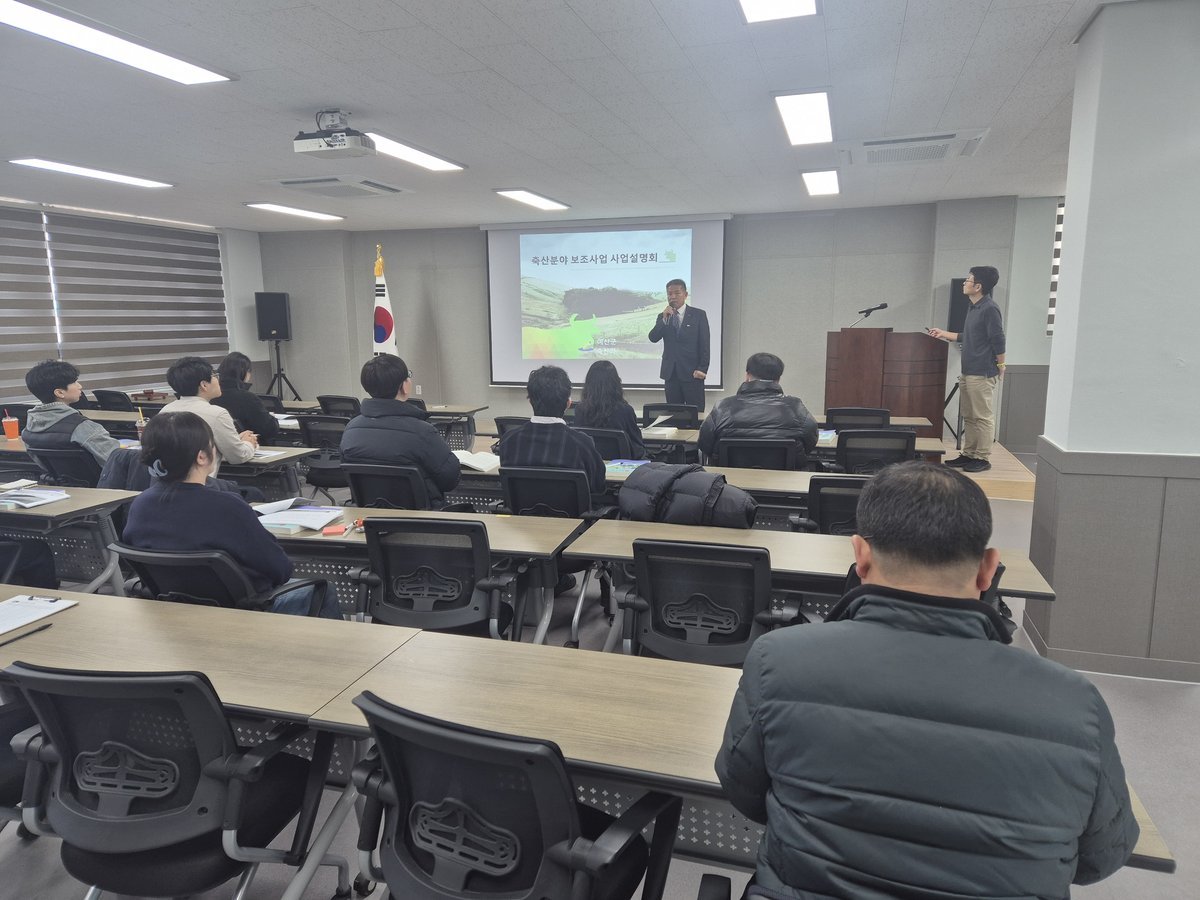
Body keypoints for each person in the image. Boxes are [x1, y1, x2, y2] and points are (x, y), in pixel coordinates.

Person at [717, 461, 1137, 899]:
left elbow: (744, 790)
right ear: (988, 569)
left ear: (860, 556)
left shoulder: (778, 660)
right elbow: (1101, 855)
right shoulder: (1075, 704)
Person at [121, 412, 342, 619]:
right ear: (201, 457)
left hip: (174, 613)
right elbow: (280, 570)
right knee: (323, 589)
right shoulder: (227, 506)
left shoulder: (140, 505)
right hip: (243, 612)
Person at [340, 354, 460, 504]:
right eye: (408, 375)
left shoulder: (351, 429)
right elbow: (450, 480)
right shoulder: (422, 432)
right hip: (422, 516)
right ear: (404, 386)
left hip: (370, 514)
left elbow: (345, 474)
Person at [928, 265, 1006, 472]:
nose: (964, 283)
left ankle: (982, 457)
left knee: (982, 417)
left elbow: (998, 339)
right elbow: (967, 336)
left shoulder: (989, 308)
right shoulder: (973, 307)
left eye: (968, 280)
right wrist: (943, 333)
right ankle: (969, 454)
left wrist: (1001, 364)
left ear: (978, 286)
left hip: (982, 371)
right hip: (968, 370)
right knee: (969, 416)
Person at [495, 365, 605, 494]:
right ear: (568, 403)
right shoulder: (582, 443)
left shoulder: (508, 441)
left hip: (523, 508)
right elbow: (598, 486)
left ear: (530, 401)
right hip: (570, 508)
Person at [698, 352, 817, 466]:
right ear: (778, 379)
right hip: (785, 478)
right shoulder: (796, 407)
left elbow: (705, 444)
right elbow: (810, 442)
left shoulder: (722, 407)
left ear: (747, 376)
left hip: (729, 477)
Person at [159, 356, 257, 474]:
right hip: (204, 482)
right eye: (214, 376)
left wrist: (235, 440)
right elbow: (237, 456)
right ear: (204, 385)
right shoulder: (217, 414)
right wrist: (249, 443)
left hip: (169, 480)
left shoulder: (165, 411)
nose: (218, 380)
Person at [21, 360, 120, 465]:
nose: (80, 386)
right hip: (98, 476)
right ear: (60, 393)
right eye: (74, 382)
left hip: (57, 476)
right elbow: (118, 461)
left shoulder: (28, 429)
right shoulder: (83, 427)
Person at [648, 278, 710, 411]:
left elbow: (705, 344)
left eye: (677, 293)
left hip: (693, 373)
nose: (673, 297)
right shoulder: (663, 317)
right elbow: (653, 338)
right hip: (671, 374)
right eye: (669, 294)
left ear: (685, 295)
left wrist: (702, 368)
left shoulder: (698, 315)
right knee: (674, 414)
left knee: (696, 413)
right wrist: (664, 320)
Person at [574, 360, 645, 460]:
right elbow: (637, 447)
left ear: (589, 384)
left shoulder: (580, 410)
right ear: (616, 383)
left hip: (591, 466)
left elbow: (578, 444)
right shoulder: (625, 411)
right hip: (621, 467)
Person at [210, 351, 280, 445]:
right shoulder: (248, 398)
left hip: (220, 446)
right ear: (244, 373)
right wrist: (272, 419)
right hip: (252, 446)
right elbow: (268, 430)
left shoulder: (211, 396)